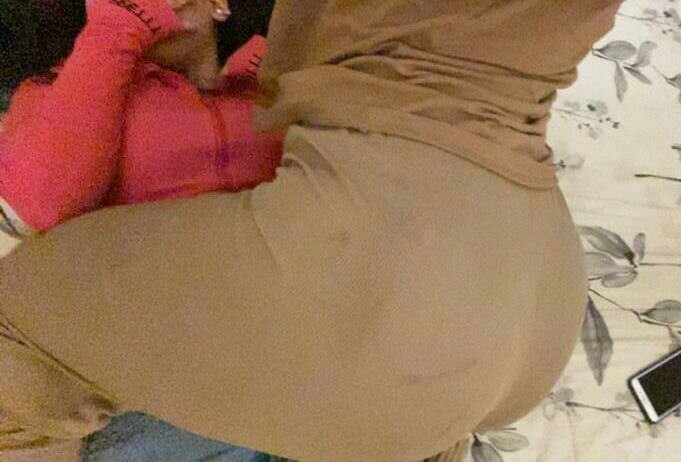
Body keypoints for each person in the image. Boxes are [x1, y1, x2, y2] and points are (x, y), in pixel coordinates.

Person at [0, 1, 623, 461]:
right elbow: (39, 200)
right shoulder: (80, 82)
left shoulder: (274, 86)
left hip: (403, 306)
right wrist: (115, 30)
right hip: (531, 297)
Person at [0, 0, 282, 237]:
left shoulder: (256, 85)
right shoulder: (53, 91)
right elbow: (38, 206)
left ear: (217, 5)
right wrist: (117, 27)